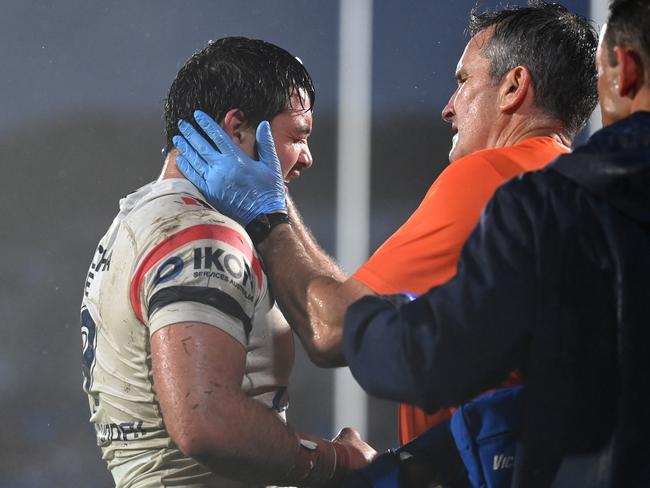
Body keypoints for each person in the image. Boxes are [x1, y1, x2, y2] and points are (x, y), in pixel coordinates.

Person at [178, 0, 650, 484]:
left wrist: (269, 215)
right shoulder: (592, 195)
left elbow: (331, 329)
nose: (448, 106)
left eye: (464, 81)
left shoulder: (497, 180)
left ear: (514, 87)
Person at [80, 37, 375, 488]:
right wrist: (335, 462)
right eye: (297, 136)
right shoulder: (204, 235)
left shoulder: (134, 220)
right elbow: (208, 423)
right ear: (236, 128)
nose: (308, 158)